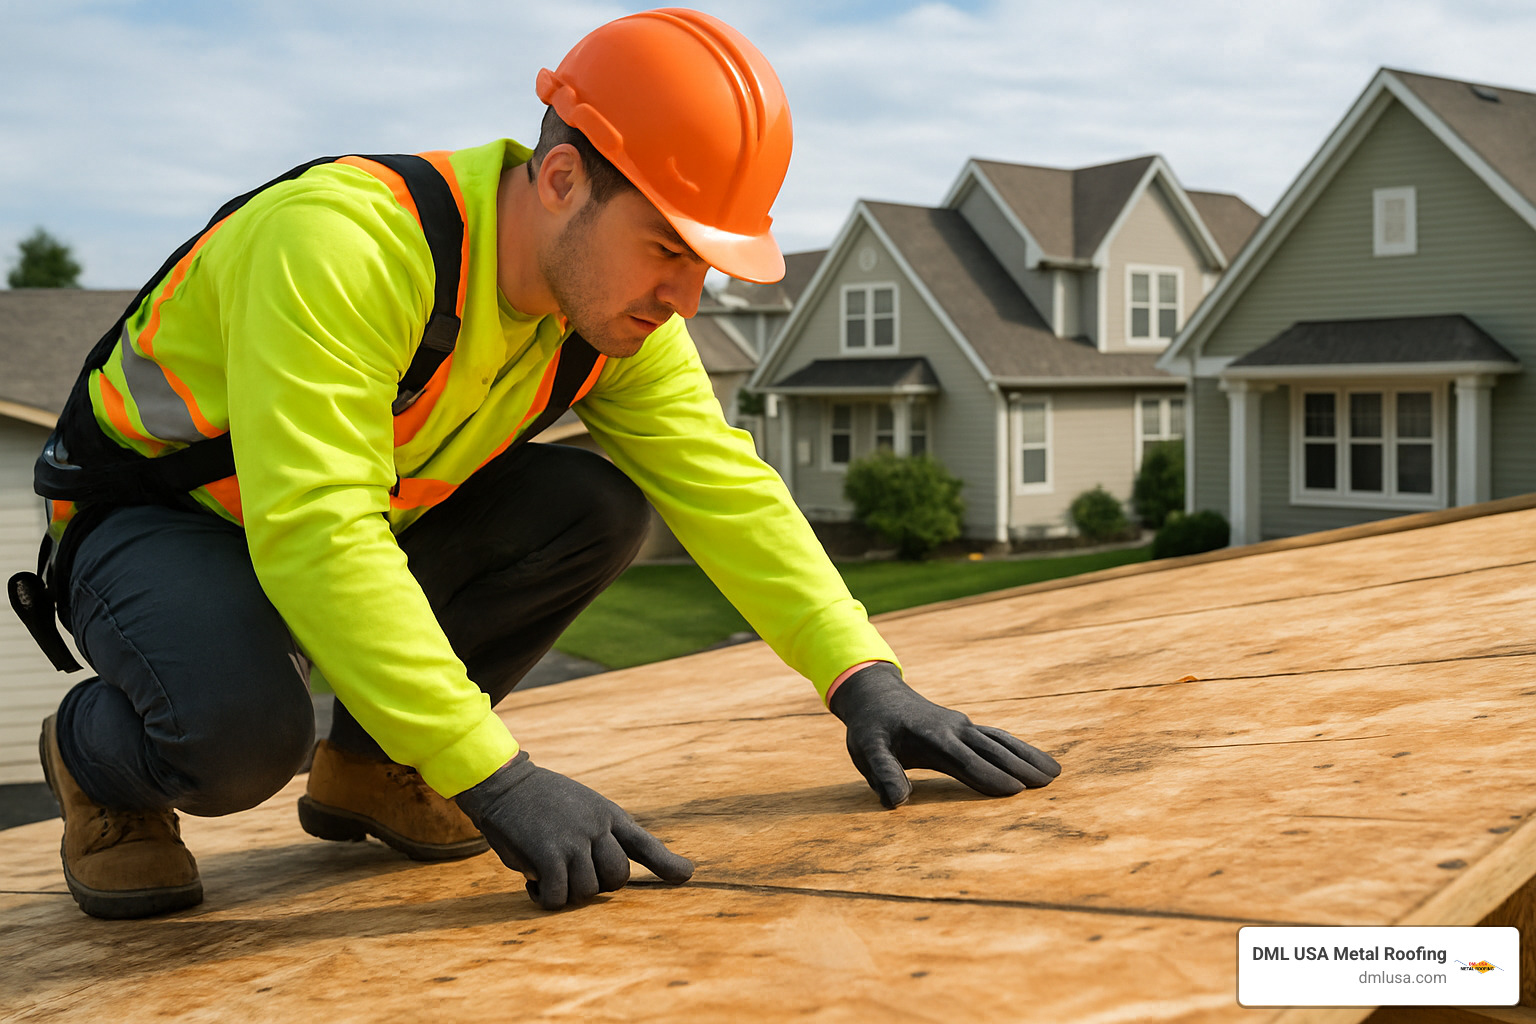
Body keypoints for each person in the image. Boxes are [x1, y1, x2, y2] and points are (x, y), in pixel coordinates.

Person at [22, 8, 1061, 920]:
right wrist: (496, 777)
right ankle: (95, 762)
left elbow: (725, 486)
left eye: (704, 264)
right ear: (562, 178)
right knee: (244, 738)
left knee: (596, 504)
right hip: (157, 524)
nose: (685, 299)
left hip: (330, 527)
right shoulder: (345, 244)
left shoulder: (607, 317)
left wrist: (864, 678)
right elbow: (318, 532)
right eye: (668, 249)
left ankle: (378, 764)